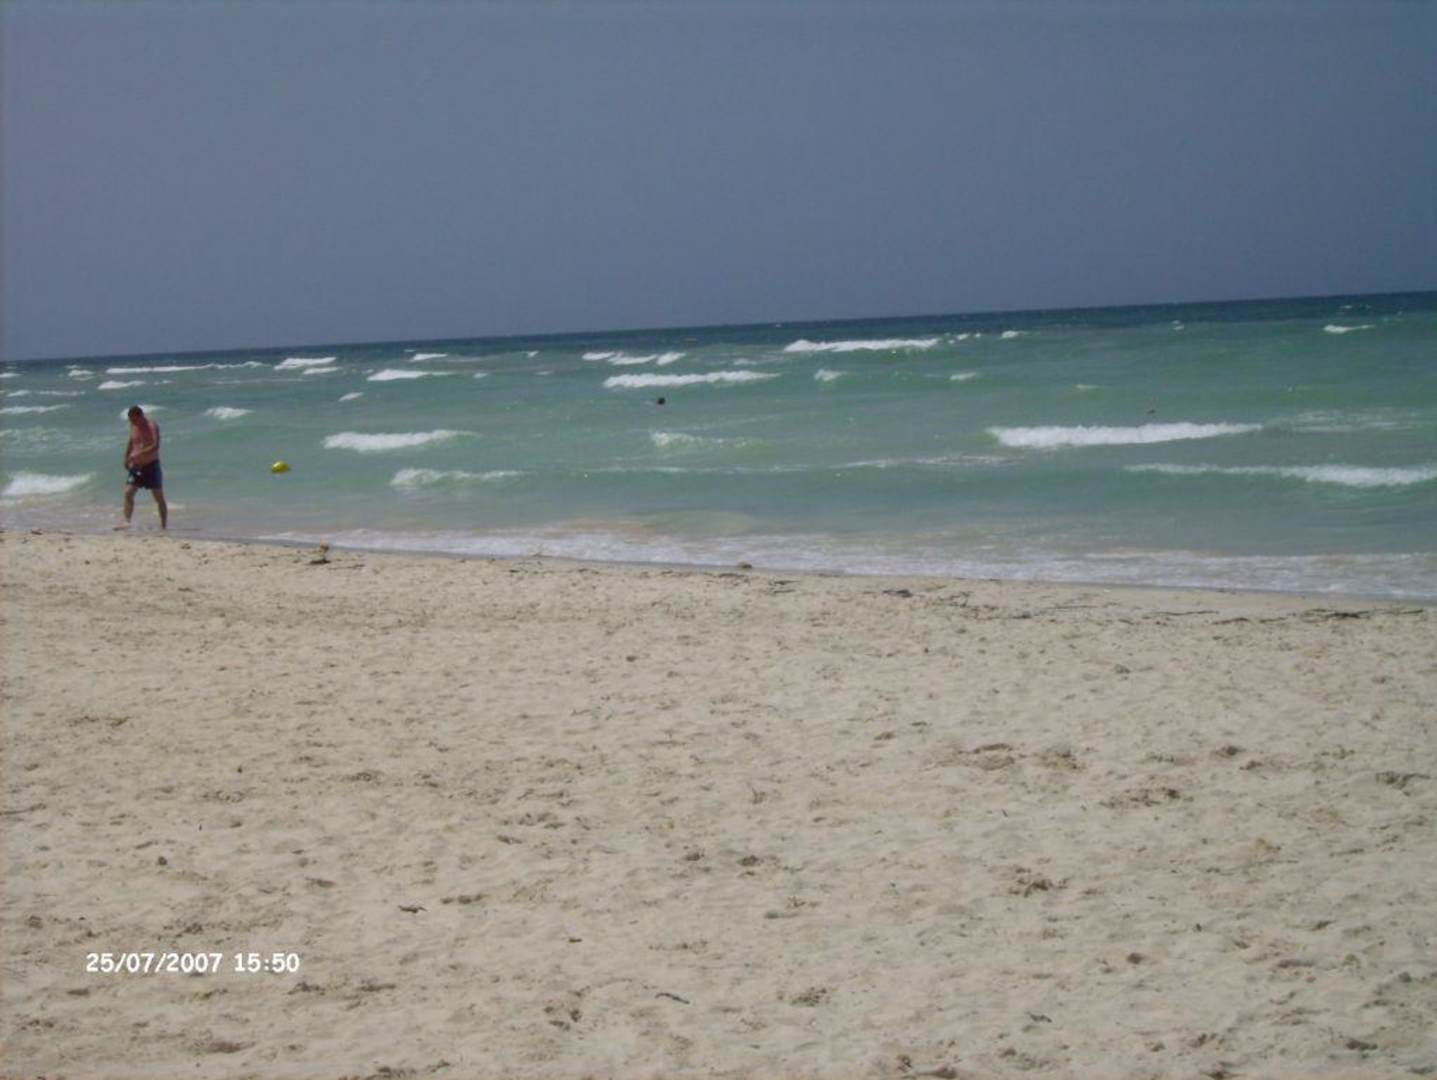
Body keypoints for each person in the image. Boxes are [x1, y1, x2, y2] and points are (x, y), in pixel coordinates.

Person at [121, 405, 167, 529]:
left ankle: (163, 526)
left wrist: (139, 453)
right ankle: (126, 522)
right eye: (131, 420)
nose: (133, 423)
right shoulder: (133, 426)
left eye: (134, 420)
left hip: (151, 465)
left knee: (158, 497)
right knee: (128, 493)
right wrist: (126, 457)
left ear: (141, 416)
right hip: (136, 467)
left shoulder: (152, 426)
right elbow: (131, 442)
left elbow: (155, 445)